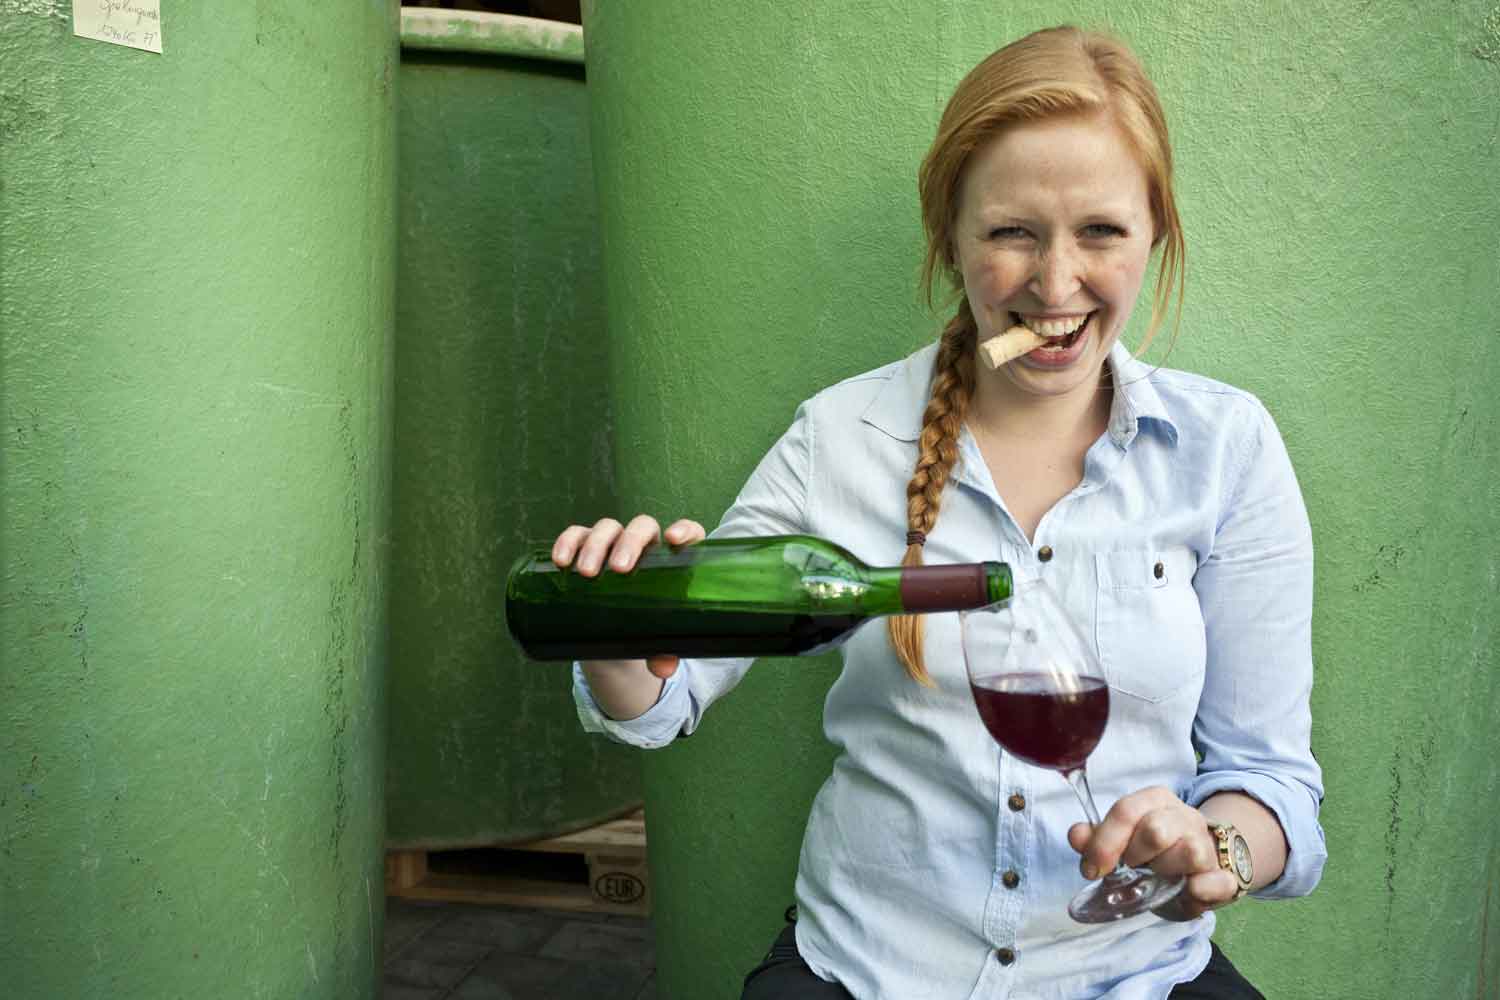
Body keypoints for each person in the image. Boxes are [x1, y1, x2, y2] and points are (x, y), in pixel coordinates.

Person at [551, 25, 1325, 1000]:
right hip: (869, 971)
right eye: (1011, 232)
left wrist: (1215, 849)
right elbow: (668, 700)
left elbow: (1273, 785)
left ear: (1154, 234)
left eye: (1101, 231)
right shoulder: (842, 435)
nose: (1056, 284)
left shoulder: (1227, 448)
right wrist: (619, 640)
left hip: (1138, 974)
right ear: (949, 241)